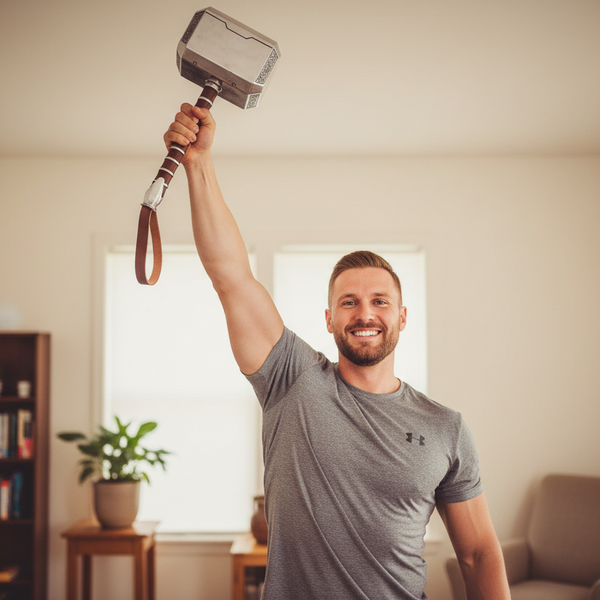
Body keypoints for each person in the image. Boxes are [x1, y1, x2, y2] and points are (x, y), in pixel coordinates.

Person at [164, 103, 511, 600]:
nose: (364, 314)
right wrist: (198, 164)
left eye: (379, 302)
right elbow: (232, 278)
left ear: (402, 317)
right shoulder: (292, 379)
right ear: (329, 319)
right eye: (349, 302)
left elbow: (478, 553)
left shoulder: (445, 428)